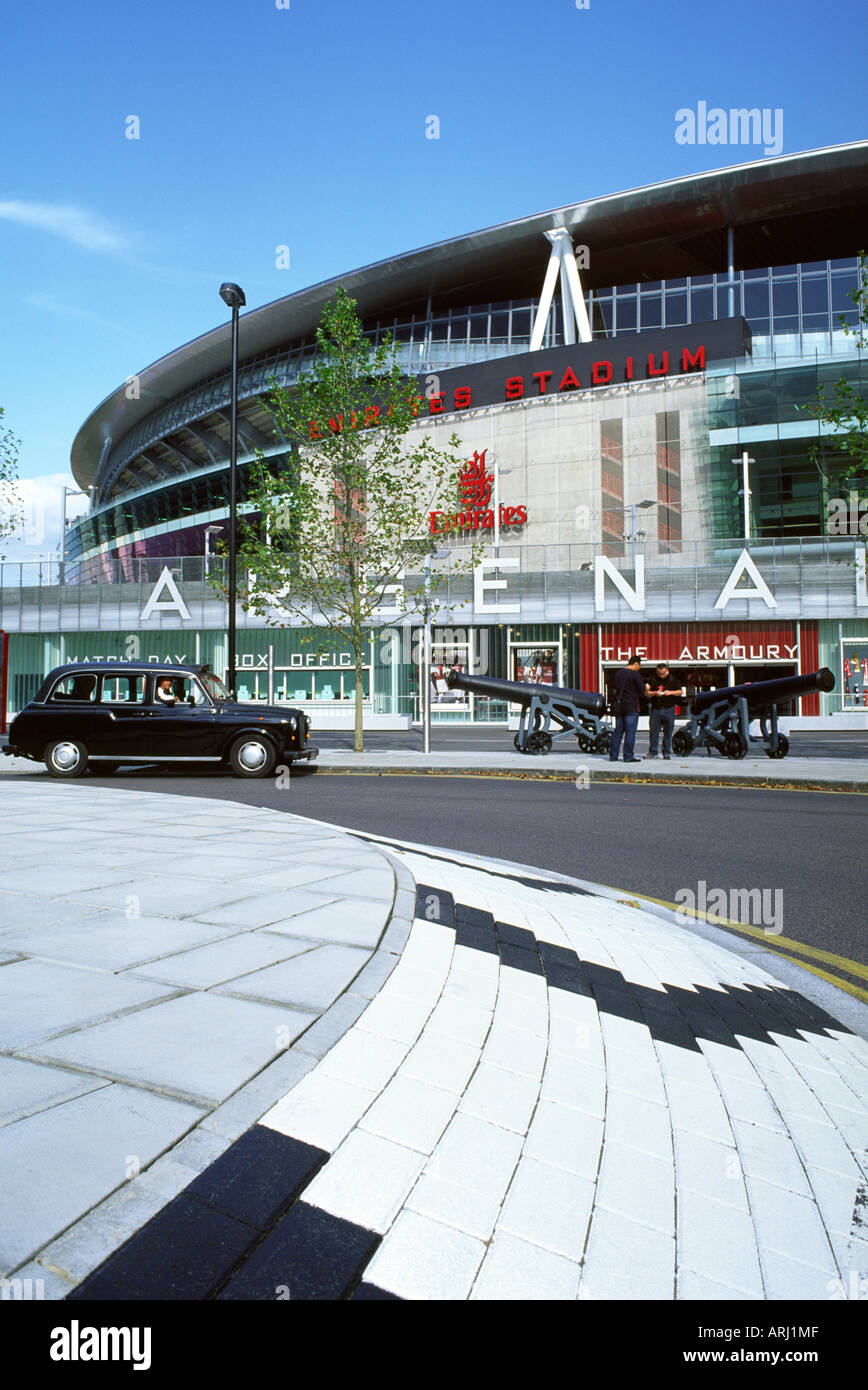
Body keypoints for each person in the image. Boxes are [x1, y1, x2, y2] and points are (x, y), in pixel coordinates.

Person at [608, 655, 646, 763]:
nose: (639, 668)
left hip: (619, 707)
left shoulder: (618, 674)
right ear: (635, 664)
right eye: (639, 665)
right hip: (631, 706)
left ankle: (613, 756)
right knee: (630, 732)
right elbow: (642, 690)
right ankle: (628, 756)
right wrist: (647, 687)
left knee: (618, 731)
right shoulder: (635, 675)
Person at [645, 662, 682, 759]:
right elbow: (646, 692)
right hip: (656, 710)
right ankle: (653, 752)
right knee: (653, 732)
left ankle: (666, 752)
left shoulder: (673, 679)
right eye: (659, 674)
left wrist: (670, 692)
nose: (661, 676)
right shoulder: (653, 679)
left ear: (667, 671)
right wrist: (654, 693)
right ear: (657, 672)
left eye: (663, 674)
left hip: (669, 709)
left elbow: (680, 692)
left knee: (668, 732)